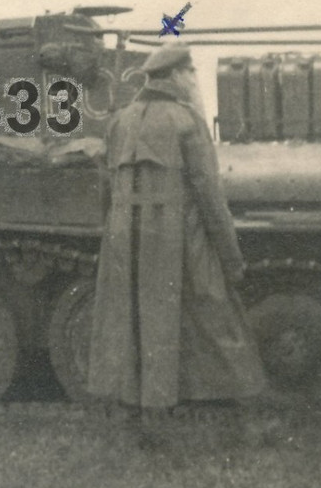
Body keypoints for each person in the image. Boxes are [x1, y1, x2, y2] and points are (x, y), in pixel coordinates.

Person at [86, 43, 266, 419]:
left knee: (130, 312)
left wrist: (115, 231)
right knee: (206, 306)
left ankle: (133, 398)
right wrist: (231, 257)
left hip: (123, 234)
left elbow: (105, 188)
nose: (193, 80)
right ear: (175, 76)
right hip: (175, 235)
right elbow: (209, 193)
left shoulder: (119, 120)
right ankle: (214, 398)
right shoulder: (187, 120)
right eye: (190, 73)